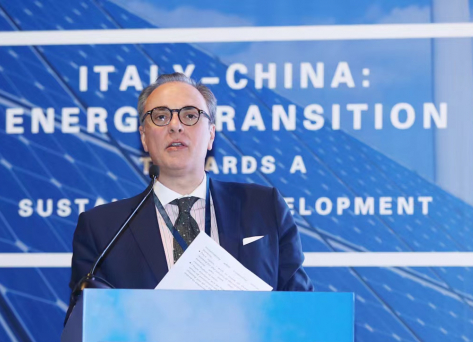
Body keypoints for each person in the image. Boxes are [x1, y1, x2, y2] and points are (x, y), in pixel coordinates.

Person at [68, 72, 312, 294]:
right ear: (144, 137)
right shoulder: (103, 230)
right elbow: (88, 320)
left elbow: (302, 307)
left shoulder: (264, 208)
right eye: (161, 117)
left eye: (190, 116)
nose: (175, 126)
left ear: (211, 134)